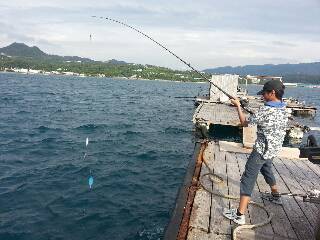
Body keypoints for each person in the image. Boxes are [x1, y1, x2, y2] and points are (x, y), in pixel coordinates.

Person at [223, 80, 288, 225]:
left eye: (265, 93)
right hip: (273, 149)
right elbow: (268, 119)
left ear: (272, 93)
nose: (263, 96)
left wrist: (238, 106)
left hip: (261, 150)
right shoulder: (284, 107)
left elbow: (244, 123)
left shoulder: (265, 111)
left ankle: (239, 215)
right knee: (267, 169)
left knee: (247, 178)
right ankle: (276, 195)